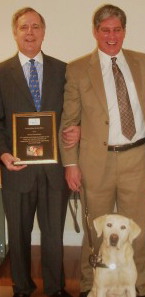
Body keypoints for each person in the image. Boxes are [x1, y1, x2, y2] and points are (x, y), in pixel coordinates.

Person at [59, 4, 145, 297]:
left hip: (137, 158)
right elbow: (69, 121)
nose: (111, 36)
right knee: (96, 233)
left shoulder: (143, 62)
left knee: (136, 233)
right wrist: (70, 164)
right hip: (94, 162)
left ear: (124, 32)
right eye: (105, 30)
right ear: (95, 32)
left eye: (117, 30)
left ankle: (137, 289)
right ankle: (91, 288)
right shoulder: (77, 69)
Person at [0, 7, 78, 297]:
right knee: (18, 235)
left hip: (54, 168)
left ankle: (55, 288)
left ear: (44, 31)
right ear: (15, 32)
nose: (30, 32)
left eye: (35, 26)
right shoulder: (1, 72)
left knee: (53, 233)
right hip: (16, 169)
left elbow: (73, 113)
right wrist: (3, 153)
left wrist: (77, 129)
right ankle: (21, 287)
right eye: (24, 27)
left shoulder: (63, 69)